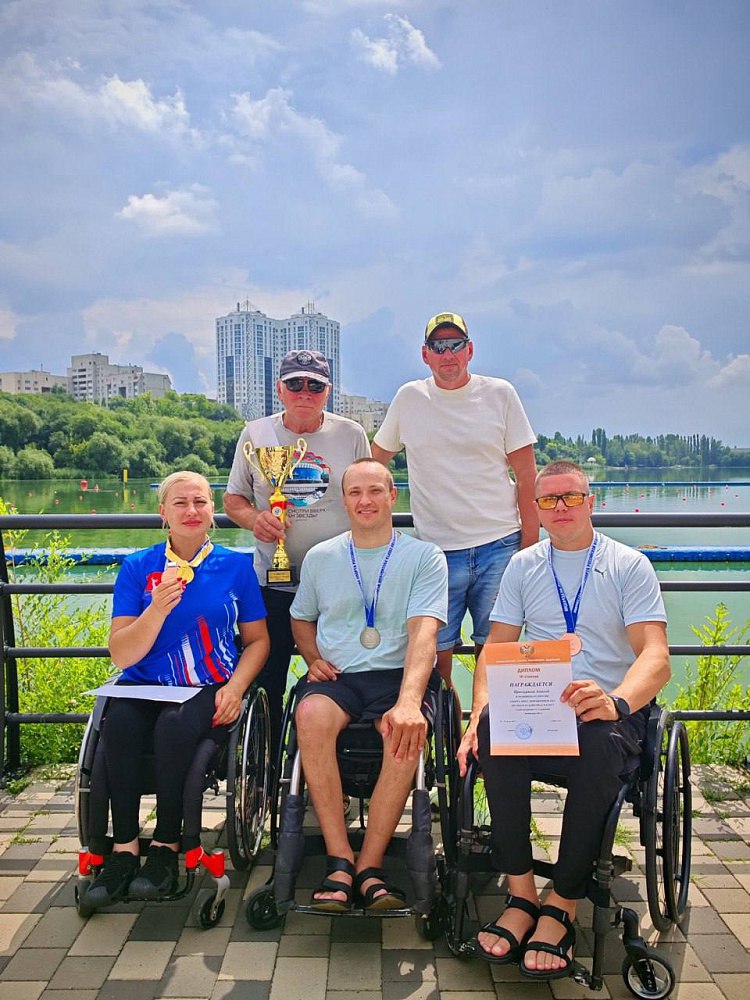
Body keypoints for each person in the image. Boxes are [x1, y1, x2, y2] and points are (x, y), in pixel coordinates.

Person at [457, 460, 671, 980]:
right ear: (536, 508)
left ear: (590, 502)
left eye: (570, 497)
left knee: (597, 742)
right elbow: (495, 650)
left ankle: (563, 903)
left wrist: (618, 700)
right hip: (540, 706)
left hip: (609, 710)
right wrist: (478, 711)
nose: (560, 507)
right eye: (548, 499)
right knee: (493, 731)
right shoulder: (523, 566)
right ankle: (522, 894)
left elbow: (656, 656)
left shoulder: (628, 565)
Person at [83, 471, 269, 908]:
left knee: (174, 727)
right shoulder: (138, 567)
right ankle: (124, 849)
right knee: (119, 725)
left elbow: (258, 641)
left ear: (212, 511)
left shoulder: (236, 567)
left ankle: (167, 846)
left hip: (205, 683)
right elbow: (121, 654)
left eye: (200, 502)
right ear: (163, 513)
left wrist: (237, 687)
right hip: (142, 683)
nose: (191, 511)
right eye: (180, 503)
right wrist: (156, 610)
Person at [290, 458, 448, 911]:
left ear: (392, 496)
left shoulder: (424, 557)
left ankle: (369, 866)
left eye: (375, 490)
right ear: (344, 501)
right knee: (310, 714)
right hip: (339, 677)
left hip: (398, 675)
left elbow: (424, 633)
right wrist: (313, 659)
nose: (365, 501)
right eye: (355, 492)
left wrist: (409, 701)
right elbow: (301, 618)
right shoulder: (321, 556)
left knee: (402, 730)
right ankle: (339, 859)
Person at [372, 311, 538, 686]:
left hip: (500, 547)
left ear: (470, 350)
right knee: (433, 663)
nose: (448, 354)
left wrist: (529, 548)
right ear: (425, 354)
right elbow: (374, 465)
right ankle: (445, 724)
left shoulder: (500, 394)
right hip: (435, 552)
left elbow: (527, 477)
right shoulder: (409, 398)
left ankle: (482, 726)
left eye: (455, 345)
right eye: (438, 346)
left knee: (495, 661)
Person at [224, 350, 370, 757]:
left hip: (337, 584)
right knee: (267, 680)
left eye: (314, 385)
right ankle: (267, 768)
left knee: (340, 679)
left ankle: (337, 767)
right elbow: (233, 498)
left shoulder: (351, 434)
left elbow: (367, 495)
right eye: (295, 383)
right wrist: (255, 519)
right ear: (280, 389)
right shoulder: (256, 434)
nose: (304, 392)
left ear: (328, 391)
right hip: (273, 582)